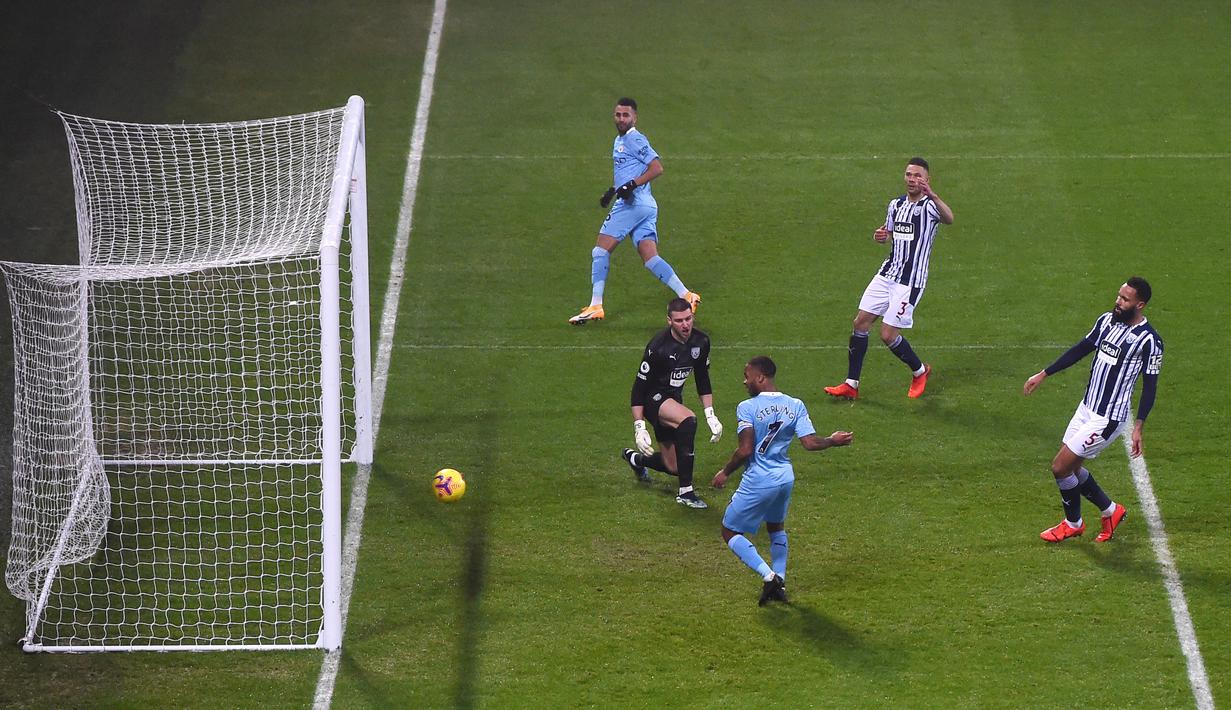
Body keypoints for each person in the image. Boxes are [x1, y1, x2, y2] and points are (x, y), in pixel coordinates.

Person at [1024, 277, 1163, 543]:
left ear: (1140, 304)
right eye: (1118, 296)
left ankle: (1073, 523)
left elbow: (1150, 386)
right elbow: (1081, 349)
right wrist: (1044, 374)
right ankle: (1111, 511)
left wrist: (1138, 426)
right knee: (1072, 469)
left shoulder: (1149, 341)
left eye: (1125, 300)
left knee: (1060, 467)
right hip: (1086, 409)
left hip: (1108, 419)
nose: (1118, 302)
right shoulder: (1106, 321)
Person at [712, 356, 853, 605]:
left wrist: (724, 472)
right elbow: (809, 443)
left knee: (729, 530)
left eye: (747, 376)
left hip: (759, 478)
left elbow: (745, 450)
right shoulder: (796, 404)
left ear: (760, 378)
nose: (744, 382)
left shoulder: (747, 407)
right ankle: (781, 582)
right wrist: (832, 440)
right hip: (784, 477)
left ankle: (769, 577)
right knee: (776, 527)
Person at [824, 157, 955, 400]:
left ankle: (919, 372)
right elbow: (890, 231)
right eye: (908, 175)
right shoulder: (895, 205)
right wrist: (882, 235)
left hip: (910, 281)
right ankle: (851, 384)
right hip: (887, 274)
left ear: (927, 180)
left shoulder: (929, 207)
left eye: (917, 176)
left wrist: (934, 196)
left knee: (888, 335)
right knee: (860, 323)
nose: (912, 179)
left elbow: (949, 218)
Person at [569, 98, 701, 325]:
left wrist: (633, 185)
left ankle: (595, 305)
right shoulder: (619, 140)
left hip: (633, 203)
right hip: (645, 205)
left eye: (625, 115)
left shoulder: (635, 138)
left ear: (635, 117)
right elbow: (627, 171)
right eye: (618, 115)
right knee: (650, 257)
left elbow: (657, 167)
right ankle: (687, 295)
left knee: (600, 250)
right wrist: (613, 190)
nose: (621, 119)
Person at [621, 298, 723, 508]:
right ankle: (685, 492)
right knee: (688, 420)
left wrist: (711, 414)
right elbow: (638, 389)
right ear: (669, 321)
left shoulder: (701, 342)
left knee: (674, 466)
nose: (685, 325)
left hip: (672, 399)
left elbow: (702, 379)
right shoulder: (658, 347)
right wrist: (639, 427)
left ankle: (636, 460)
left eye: (688, 319)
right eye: (679, 321)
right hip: (652, 399)